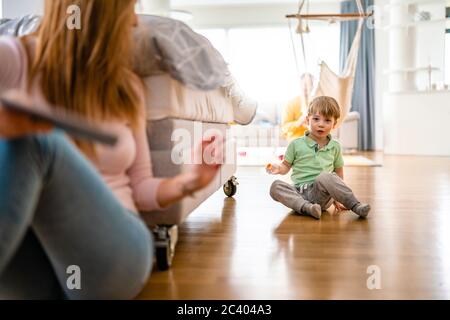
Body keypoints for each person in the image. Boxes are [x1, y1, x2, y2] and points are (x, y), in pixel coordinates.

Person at [0, 0, 222, 300]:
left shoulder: (126, 87)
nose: (135, 23)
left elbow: (140, 188)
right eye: (128, 9)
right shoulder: (14, 59)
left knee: (37, 144)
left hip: (113, 252)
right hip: (32, 259)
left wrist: (191, 181)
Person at [267, 96, 371, 220]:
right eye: (316, 119)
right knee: (275, 186)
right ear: (307, 120)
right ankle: (308, 208)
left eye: (327, 120)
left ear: (334, 124)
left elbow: (338, 175)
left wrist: (336, 196)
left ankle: (356, 205)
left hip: (321, 195)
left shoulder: (335, 146)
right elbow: (285, 166)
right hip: (298, 194)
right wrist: (278, 168)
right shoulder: (295, 144)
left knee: (325, 175)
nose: (321, 124)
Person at [281, 73, 314, 141]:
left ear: (312, 86)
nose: (306, 87)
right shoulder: (291, 103)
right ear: (300, 85)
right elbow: (284, 128)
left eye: (308, 84)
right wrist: (298, 122)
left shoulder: (317, 103)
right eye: (304, 84)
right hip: (296, 140)